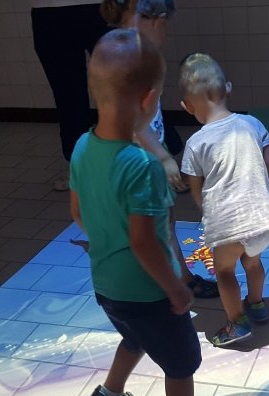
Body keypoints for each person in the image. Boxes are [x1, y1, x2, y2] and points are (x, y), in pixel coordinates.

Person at [70, 28, 228, 396]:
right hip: (149, 291)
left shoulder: (82, 146)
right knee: (180, 364)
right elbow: (144, 243)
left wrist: (107, 238)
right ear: (150, 100)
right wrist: (177, 287)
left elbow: (77, 211)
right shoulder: (142, 167)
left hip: (107, 284)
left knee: (133, 337)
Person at [99, 0, 219, 298]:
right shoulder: (134, 57)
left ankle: (176, 276)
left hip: (137, 151)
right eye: (166, 24)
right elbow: (134, 120)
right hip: (139, 156)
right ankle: (171, 282)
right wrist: (163, 156)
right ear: (156, 19)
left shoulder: (119, 48)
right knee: (155, 223)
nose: (166, 32)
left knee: (161, 219)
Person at [178, 53, 269, 347]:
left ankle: (237, 323)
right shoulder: (252, 123)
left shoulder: (196, 142)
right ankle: (257, 305)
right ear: (229, 88)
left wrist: (208, 211)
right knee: (253, 262)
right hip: (261, 217)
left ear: (187, 106)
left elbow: (195, 188)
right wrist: (253, 186)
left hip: (228, 223)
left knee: (224, 271)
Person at [31, 0, 184, 191]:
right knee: (69, 99)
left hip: (97, 6)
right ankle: (80, 168)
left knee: (133, 85)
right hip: (48, 11)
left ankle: (162, 156)